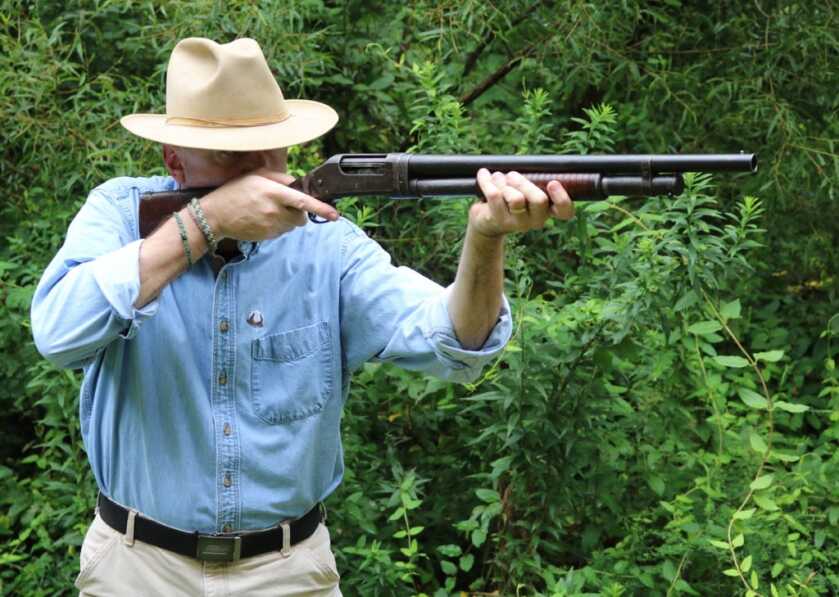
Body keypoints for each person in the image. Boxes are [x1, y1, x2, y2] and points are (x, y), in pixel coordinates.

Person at [30, 37, 574, 596]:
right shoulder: (120, 215)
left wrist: (484, 240)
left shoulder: (327, 245)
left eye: (270, 153)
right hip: (137, 569)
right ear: (175, 160)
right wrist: (207, 220)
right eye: (232, 159)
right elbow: (58, 333)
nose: (260, 176)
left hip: (288, 572)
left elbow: (455, 346)